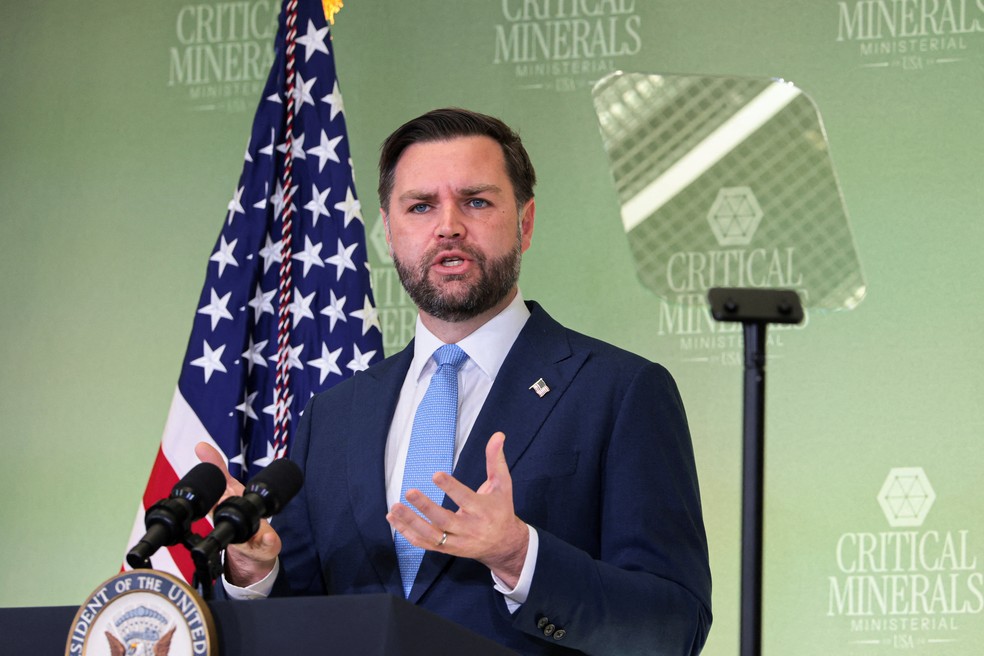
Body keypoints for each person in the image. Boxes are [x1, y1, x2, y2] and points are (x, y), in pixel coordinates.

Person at [197, 108, 712, 655]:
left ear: (526, 223)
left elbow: (673, 627)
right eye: (420, 206)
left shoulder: (620, 392)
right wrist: (254, 574)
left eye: (476, 201)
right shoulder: (336, 413)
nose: (448, 226)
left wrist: (519, 556)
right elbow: (305, 620)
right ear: (390, 232)